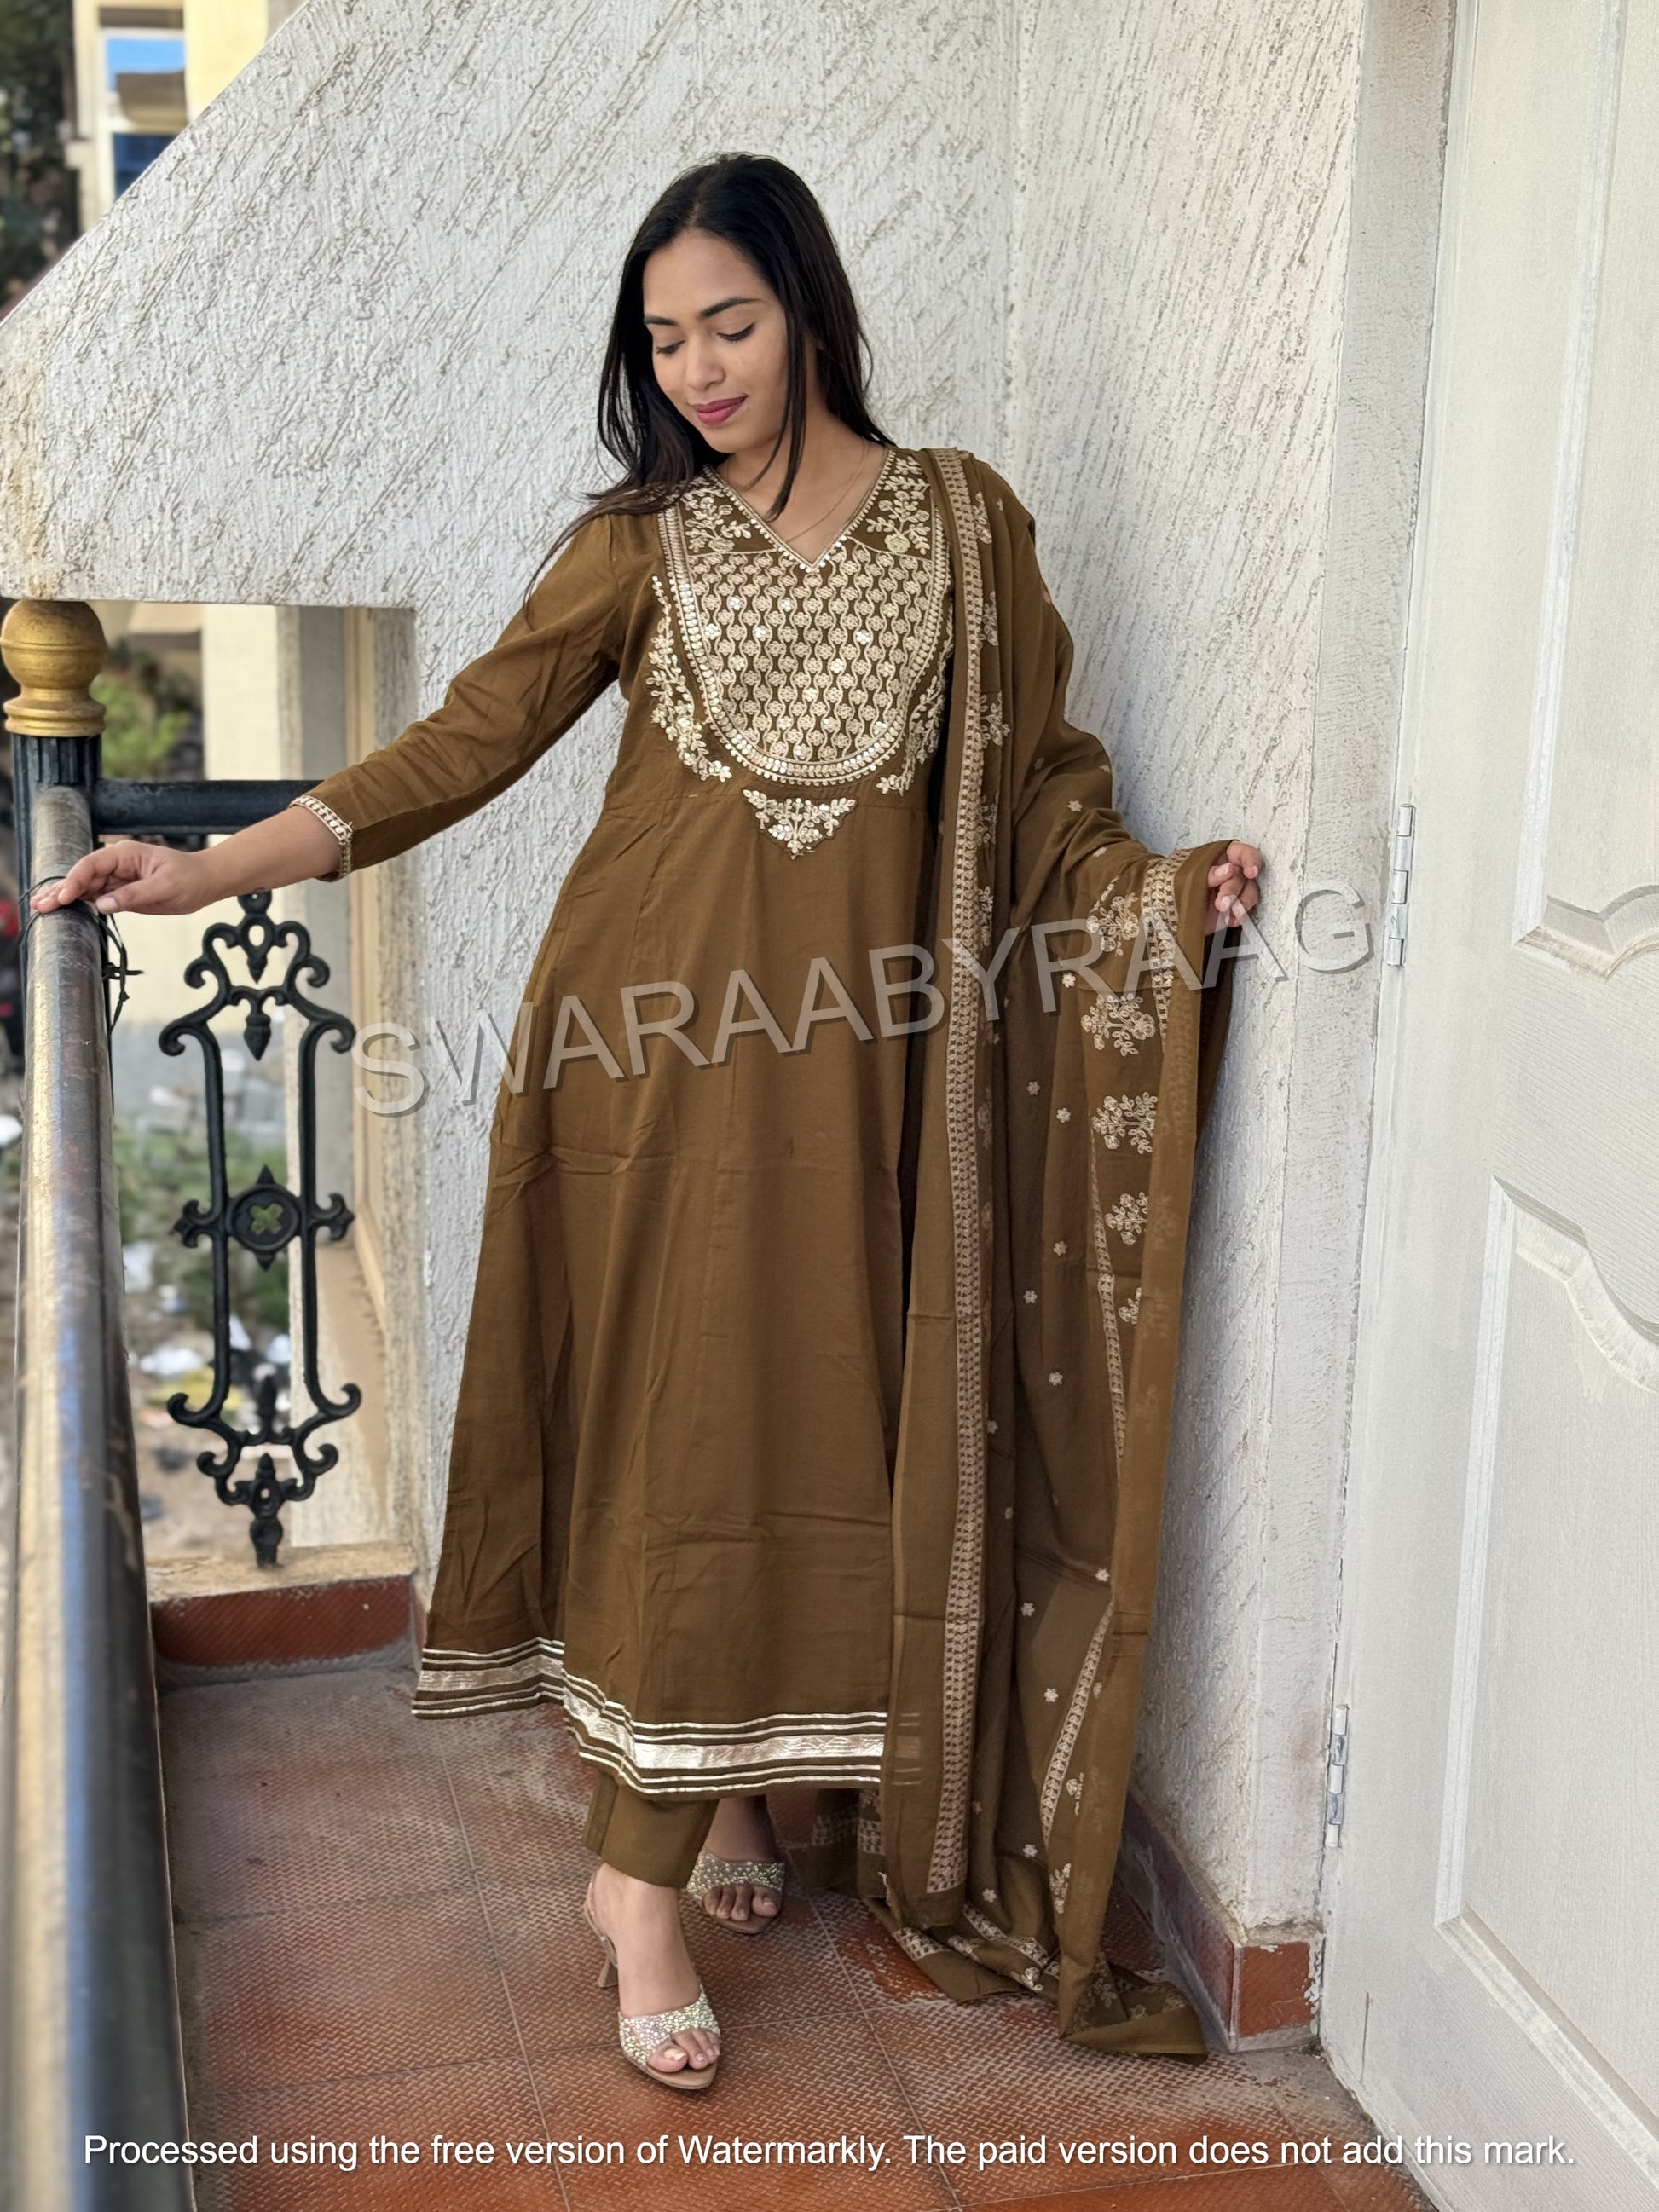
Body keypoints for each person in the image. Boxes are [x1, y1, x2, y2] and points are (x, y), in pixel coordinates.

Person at [37, 153, 1261, 2089]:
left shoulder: (965, 526)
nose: (697, 367)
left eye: (731, 324)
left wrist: (1151, 896)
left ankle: (740, 1781)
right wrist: (208, 865)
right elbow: (466, 740)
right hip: (649, 1056)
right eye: (664, 336)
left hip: (865, 1068)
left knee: (817, 1418)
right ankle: (636, 1884)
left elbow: (1037, 787)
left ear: (810, 311)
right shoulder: (641, 544)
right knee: (690, 1430)